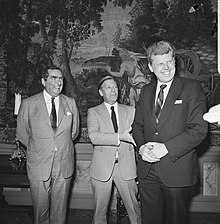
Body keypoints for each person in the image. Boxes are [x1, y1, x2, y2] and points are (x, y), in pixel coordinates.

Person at [132, 41, 208, 224]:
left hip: (177, 171)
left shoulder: (192, 88)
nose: (166, 68)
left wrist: (165, 148)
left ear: (175, 61)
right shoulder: (146, 91)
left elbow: (199, 129)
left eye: (170, 62)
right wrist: (141, 148)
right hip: (147, 171)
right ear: (151, 67)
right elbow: (137, 125)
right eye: (160, 64)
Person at [16, 66, 80, 224]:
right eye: (54, 78)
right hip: (39, 163)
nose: (59, 82)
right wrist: (41, 147)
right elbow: (22, 134)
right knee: (40, 212)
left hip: (63, 163)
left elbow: (74, 132)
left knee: (60, 213)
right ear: (43, 81)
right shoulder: (29, 104)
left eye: (61, 79)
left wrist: (59, 145)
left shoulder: (70, 103)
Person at [87, 75, 141, 224]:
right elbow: (94, 136)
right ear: (100, 92)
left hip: (126, 167)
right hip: (102, 169)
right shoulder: (94, 112)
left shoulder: (131, 111)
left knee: (135, 212)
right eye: (108, 87)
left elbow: (139, 133)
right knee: (99, 215)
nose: (113, 90)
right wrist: (120, 136)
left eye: (115, 87)